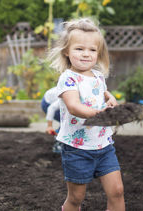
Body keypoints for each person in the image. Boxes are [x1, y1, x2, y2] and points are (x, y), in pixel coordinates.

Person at [47, 18, 125, 211]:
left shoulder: (98, 75)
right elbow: (74, 106)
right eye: (79, 49)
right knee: (76, 198)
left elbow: (102, 91)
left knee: (117, 190)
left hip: (104, 146)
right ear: (67, 51)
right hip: (77, 148)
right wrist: (99, 114)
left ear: (98, 53)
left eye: (92, 50)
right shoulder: (68, 79)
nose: (86, 54)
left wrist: (110, 98)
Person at [41, 87, 62, 153]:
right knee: (66, 122)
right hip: (47, 103)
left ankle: (60, 137)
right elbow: (51, 108)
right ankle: (58, 145)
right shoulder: (67, 96)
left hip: (53, 100)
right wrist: (49, 126)